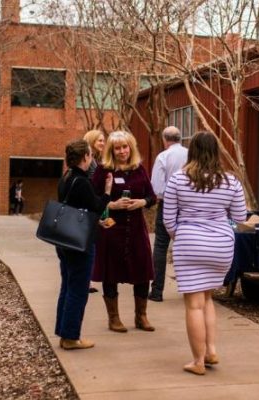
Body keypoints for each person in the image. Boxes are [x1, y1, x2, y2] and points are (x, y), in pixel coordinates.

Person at [163, 131, 247, 376]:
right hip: (221, 246)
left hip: (189, 244)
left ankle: (198, 361)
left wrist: (184, 236)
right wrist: (222, 229)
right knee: (208, 298)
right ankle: (210, 350)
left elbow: (169, 220)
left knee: (194, 305)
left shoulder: (178, 179)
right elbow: (240, 218)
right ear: (216, 152)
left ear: (193, 151)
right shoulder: (231, 182)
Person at [92, 130, 157, 333]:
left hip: (136, 229)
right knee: (111, 273)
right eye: (117, 148)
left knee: (142, 271)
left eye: (125, 147)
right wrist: (113, 205)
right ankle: (114, 318)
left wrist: (142, 202)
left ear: (131, 148)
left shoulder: (139, 170)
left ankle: (141, 316)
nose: (122, 151)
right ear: (111, 150)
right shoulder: (104, 171)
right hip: (111, 229)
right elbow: (93, 201)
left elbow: (152, 197)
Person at [55, 139, 113, 350]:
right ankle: (71, 337)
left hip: (64, 239)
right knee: (78, 289)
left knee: (67, 286)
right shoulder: (81, 181)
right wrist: (107, 191)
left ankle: (64, 331)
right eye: (90, 155)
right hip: (80, 242)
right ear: (85, 157)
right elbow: (96, 206)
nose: (92, 159)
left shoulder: (66, 178)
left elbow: (77, 208)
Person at [148, 126, 189, 302]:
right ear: (179, 138)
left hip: (167, 205)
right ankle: (190, 289)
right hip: (189, 205)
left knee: (160, 246)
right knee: (188, 246)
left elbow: (157, 188)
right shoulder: (191, 154)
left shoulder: (163, 157)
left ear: (165, 139)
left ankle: (157, 291)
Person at [83, 129, 106, 294]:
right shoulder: (90, 161)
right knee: (88, 244)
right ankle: (86, 281)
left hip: (94, 206)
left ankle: (88, 280)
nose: (103, 143)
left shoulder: (94, 160)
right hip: (91, 207)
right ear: (92, 142)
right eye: (100, 140)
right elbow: (93, 183)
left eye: (104, 140)